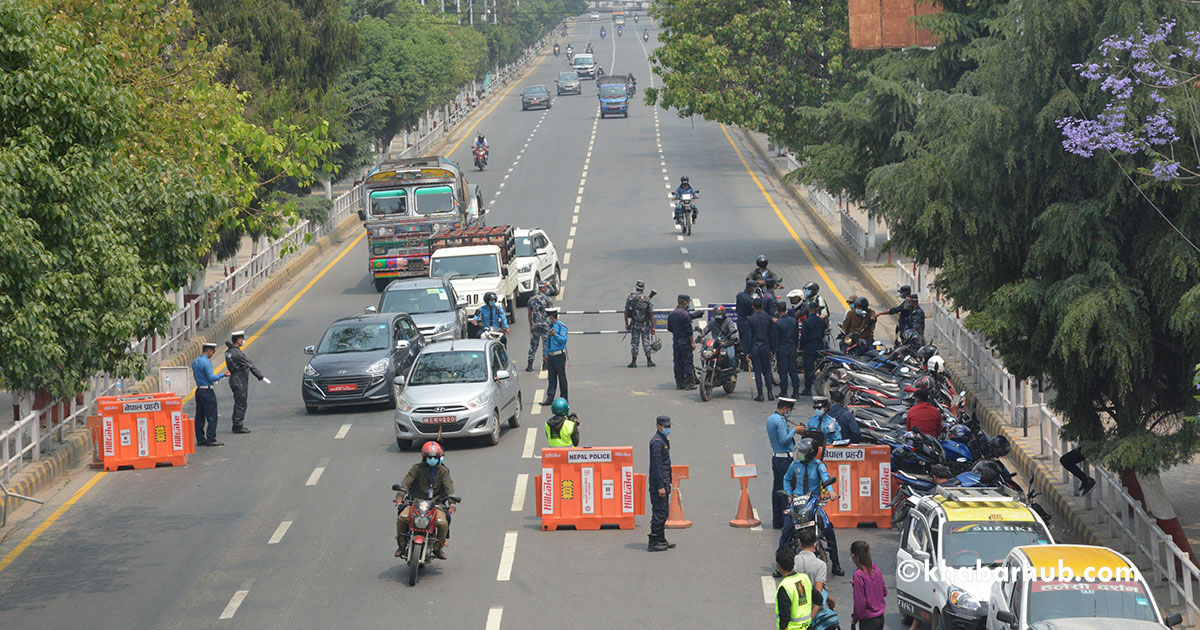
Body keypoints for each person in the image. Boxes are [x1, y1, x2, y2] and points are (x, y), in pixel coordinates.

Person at [781, 438, 843, 576]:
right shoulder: (795, 464)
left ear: (810, 454)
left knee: (829, 530)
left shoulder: (819, 465)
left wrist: (831, 492)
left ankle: (836, 564)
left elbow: (826, 478)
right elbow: (787, 478)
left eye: (802, 452)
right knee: (786, 531)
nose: (799, 454)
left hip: (813, 502)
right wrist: (789, 494)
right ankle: (781, 565)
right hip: (797, 502)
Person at [395, 441, 456, 559]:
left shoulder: (443, 471)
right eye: (430, 457)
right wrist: (399, 497)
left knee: (443, 523)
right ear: (424, 457)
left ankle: (438, 548)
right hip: (415, 503)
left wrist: (452, 503)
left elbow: (449, 487)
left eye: (435, 457)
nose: (433, 460)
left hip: (436, 505)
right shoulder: (416, 468)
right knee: (401, 518)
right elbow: (406, 482)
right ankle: (401, 545)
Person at [224, 330, 268, 435]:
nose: (243, 341)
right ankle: (238, 425)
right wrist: (260, 376)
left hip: (234, 379)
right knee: (241, 403)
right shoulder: (237, 353)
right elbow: (250, 364)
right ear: (238, 340)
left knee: (238, 402)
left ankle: (236, 423)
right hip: (239, 380)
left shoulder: (229, 352)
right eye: (242, 339)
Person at [767, 397, 799, 529]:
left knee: (777, 491)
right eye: (789, 409)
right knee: (787, 491)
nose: (789, 412)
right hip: (784, 460)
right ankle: (787, 522)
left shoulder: (771, 418)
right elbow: (784, 440)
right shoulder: (780, 421)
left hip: (776, 458)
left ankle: (777, 520)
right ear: (785, 408)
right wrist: (795, 431)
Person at [191, 342, 229, 447]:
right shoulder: (207, 363)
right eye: (212, 352)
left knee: (200, 416)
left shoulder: (195, 361)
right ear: (209, 351)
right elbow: (211, 378)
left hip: (199, 390)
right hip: (207, 390)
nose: (212, 354)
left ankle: (200, 438)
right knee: (212, 416)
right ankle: (211, 438)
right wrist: (223, 375)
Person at [647, 415, 676, 551]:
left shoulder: (663, 440)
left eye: (669, 426)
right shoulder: (657, 443)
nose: (668, 428)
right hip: (658, 485)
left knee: (664, 512)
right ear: (658, 426)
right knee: (659, 513)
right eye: (665, 426)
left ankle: (661, 538)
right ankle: (653, 542)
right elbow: (656, 467)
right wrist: (660, 487)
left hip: (664, 482)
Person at [774, 546, 815, 630]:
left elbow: (784, 619)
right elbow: (818, 600)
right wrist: (809, 619)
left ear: (778, 565)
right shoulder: (804, 578)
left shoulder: (784, 587)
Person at [850, 541, 887, 630]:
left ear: (853, 556)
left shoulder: (858, 575)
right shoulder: (876, 569)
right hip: (880, 618)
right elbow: (884, 592)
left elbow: (860, 603)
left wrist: (855, 619)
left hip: (868, 621)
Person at [667, 294, 696, 390]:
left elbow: (669, 328)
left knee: (677, 362)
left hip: (676, 341)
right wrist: (692, 342)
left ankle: (679, 383)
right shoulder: (685, 314)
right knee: (688, 362)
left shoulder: (672, 314)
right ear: (685, 302)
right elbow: (689, 331)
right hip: (685, 342)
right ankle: (689, 383)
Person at [747, 297, 774, 401]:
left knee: (757, 372)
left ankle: (760, 394)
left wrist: (747, 352)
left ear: (753, 307)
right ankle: (770, 393)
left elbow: (748, 337)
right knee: (767, 370)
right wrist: (772, 350)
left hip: (755, 348)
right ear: (762, 306)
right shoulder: (768, 318)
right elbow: (772, 335)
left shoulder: (750, 319)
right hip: (766, 347)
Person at [624, 280, 655, 368]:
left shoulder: (631, 297)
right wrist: (653, 327)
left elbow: (626, 311)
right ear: (643, 288)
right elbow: (651, 314)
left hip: (635, 323)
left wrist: (626, 324)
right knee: (646, 342)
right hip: (645, 324)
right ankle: (649, 361)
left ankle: (633, 362)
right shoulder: (647, 299)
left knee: (634, 343)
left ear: (636, 287)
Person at [799, 302, 829, 395]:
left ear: (809, 310)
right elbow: (824, 332)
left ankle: (807, 389)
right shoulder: (821, 321)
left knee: (808, 368)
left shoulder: (806, 322)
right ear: (817, 310)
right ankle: (824, 387)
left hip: (809, 347)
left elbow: (803, 337)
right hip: (819, 346)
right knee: (822, 367)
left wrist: (802, 347)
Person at [541, 307, 569, 405]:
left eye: (548, 317)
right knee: (551, 378)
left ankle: (564, 398)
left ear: (552, 317)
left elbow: (564, 340)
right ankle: (550, 398)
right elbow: (548, 342)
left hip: (559, 355)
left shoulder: (561, 326)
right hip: (551, 356)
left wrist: (555, 335)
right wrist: (546, 354)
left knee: (561, 378)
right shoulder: (550, 326)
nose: (547, 319)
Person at [773, 303, 801, 398]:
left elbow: (775, 338)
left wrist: (774, 350)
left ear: (778, 310)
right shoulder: (794, 321)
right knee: (793, 371)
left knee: (783, 371)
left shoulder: (778, 323)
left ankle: (784, 391)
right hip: (792, 348)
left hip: (782, 349)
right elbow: (796, 336)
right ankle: (796, 391)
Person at [526, 281, 553, 372]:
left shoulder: (531, 299)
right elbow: (551, 313)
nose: (547, 289)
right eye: (546, 287)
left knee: (533, 345)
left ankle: (530, 365)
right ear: (542, 288)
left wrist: (530, 325)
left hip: (535, 325)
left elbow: (529, 314)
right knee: (546, 345)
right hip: (545, 325)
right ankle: (545, 365)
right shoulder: (547, 299)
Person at [735, 279, 757, 372]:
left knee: (743, 342)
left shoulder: (740, 295)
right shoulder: (746, 297)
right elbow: (752, 307)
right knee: (746, 342)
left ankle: (743, 363)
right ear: (751, 287)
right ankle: (745, 364)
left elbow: (737, 309)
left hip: (741, 320)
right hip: (745, 321)